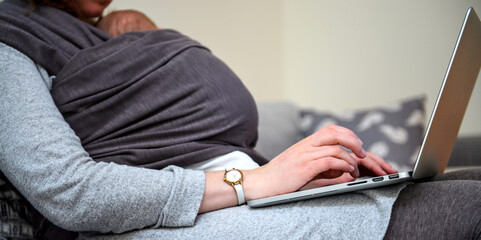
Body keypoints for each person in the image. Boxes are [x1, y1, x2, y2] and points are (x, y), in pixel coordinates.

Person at [0, 0, 479, 239]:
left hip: (227, 195)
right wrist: (255, 181)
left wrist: (298, 178)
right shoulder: (8, 43)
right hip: (163, 225)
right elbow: (71, 191)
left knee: (468, 180)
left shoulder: (94, 29)